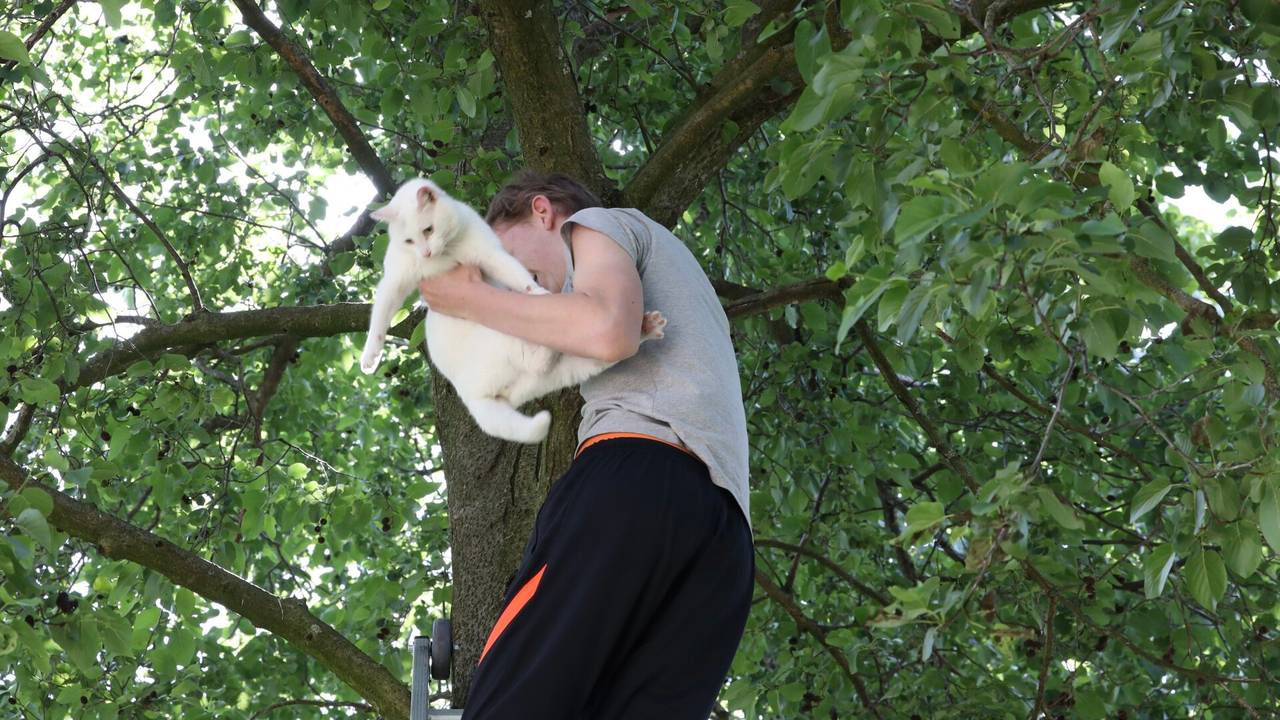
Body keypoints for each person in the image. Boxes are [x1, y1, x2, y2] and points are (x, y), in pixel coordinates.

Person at [418, 170, 752, 720]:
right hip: (723, 541)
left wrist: (469, 297)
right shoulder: (689, 299)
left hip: (636, 482)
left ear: (543, 212)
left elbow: (608, 331)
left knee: (519, 701)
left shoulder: (596, 225)